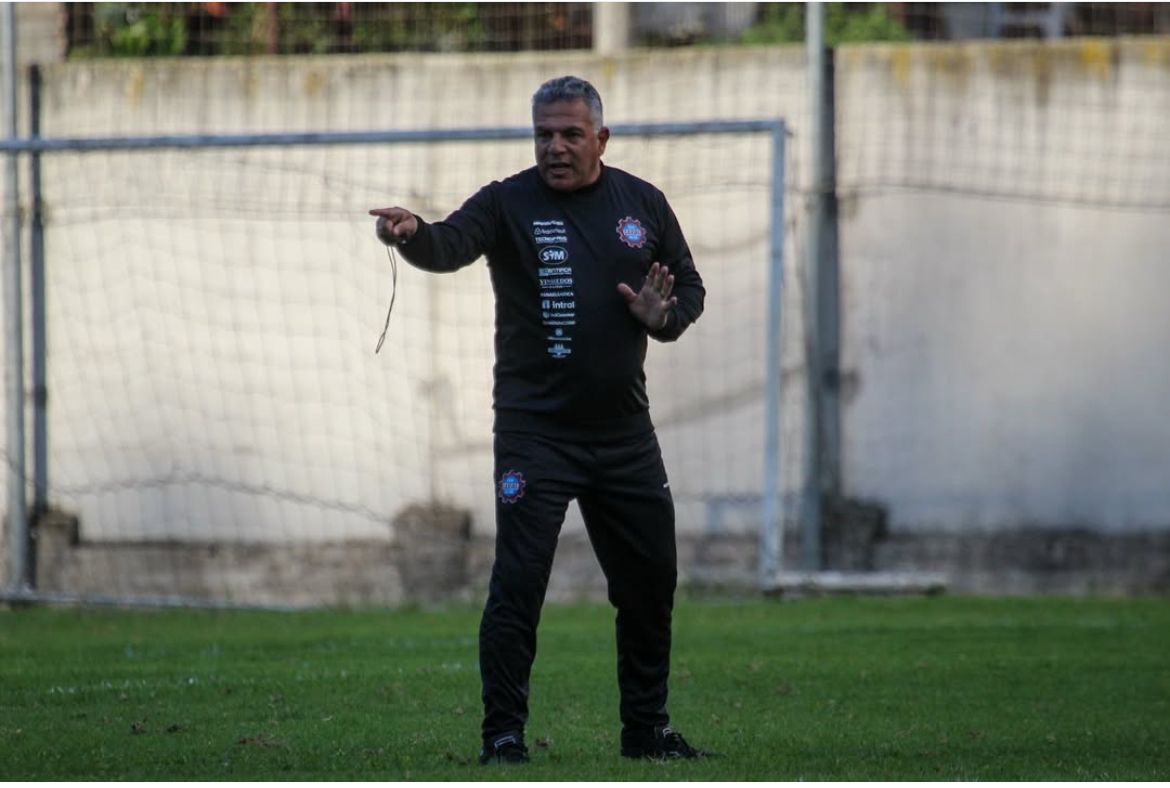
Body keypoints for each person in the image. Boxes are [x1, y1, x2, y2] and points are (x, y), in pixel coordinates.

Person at [369, 75, 710, 764]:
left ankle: (645, 732)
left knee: (651, 580)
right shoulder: (507, 203)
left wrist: (662, 318)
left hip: (624, 435)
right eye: (543, 134)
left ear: (601, 139)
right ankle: (503, 737)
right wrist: (411, 235)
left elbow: (690, 288)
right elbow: (448, 244)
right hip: (537, 436)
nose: (554, 147)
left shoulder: (643, 205)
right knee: (519, 583)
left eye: (570, 134)